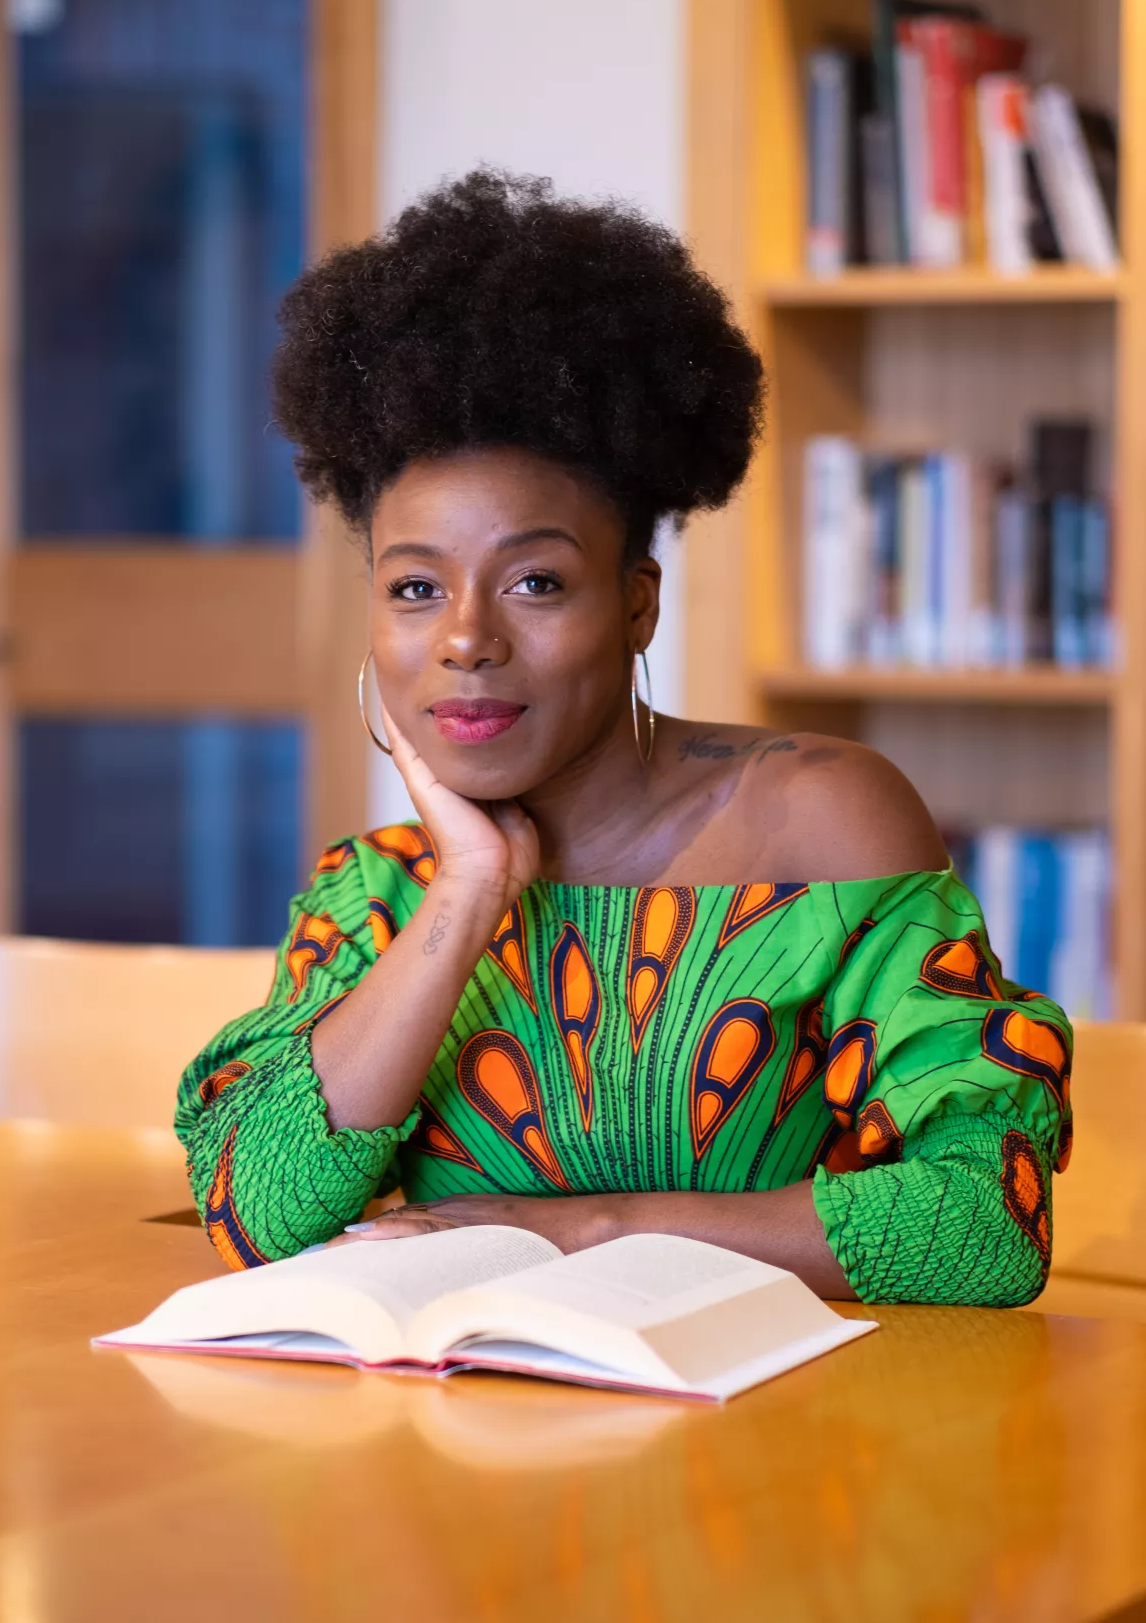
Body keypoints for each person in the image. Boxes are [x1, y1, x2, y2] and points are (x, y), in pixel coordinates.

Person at [175, 170, 1071, 1304]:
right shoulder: (376, 898)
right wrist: (466, 891)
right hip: (460, 1439)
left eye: (536, 581)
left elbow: (982, 1222)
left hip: (782, 1436)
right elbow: (256, 1213)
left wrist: (583, 1228)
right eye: (413, 589)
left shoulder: (817, 824)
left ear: (637, 601)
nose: (465, 639)